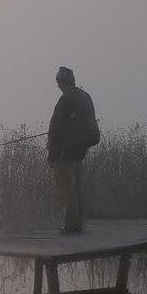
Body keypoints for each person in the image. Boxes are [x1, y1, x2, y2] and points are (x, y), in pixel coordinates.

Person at [47, 66, 99, 234]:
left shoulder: (66, 99)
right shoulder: (84, 96)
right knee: (76, 189)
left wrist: (52, 155)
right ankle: (78, 223)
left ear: (61, 82)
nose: (58, 84)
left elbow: (56, 130)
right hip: (80, 150)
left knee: (66, 190)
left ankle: (71, 226)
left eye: (58, 81)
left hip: (66, 152)